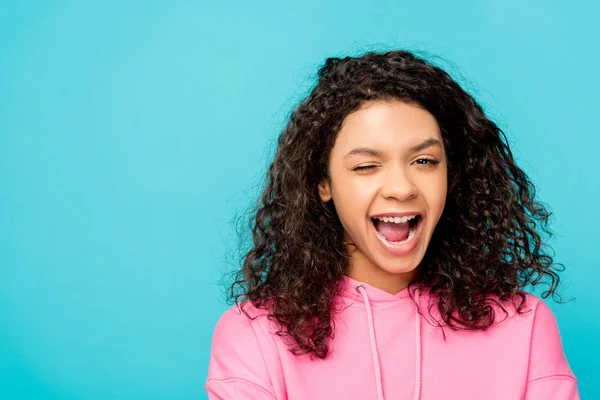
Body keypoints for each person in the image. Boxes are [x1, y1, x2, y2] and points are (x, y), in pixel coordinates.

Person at [204, 50, 580, 399]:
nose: (401, 188)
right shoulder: (254, 336)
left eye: (425, 161)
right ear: (323, 184)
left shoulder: (524, 326)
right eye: (366, 166)